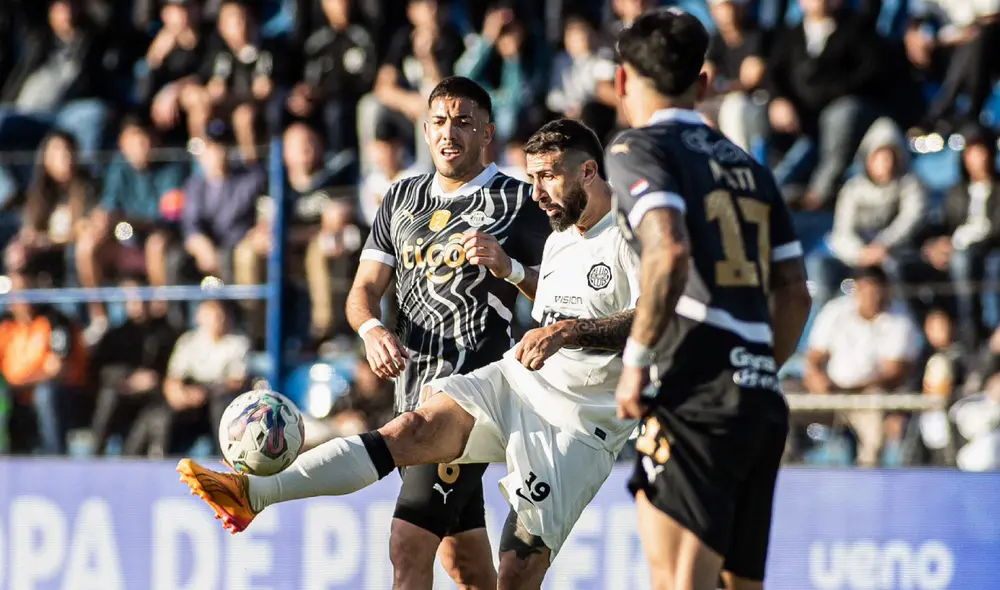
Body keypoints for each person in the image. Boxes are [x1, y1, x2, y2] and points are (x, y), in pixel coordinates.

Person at [177, 117, 640, 589]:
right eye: (532, 177)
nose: (537, 192)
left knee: (516, 573)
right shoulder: (560, 231)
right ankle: (254, 492)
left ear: (587, 171)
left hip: (579, 423)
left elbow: (654, 319)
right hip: (518, 381)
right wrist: (514, 270)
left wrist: (567, 332)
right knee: (411, 430)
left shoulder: (633, 233)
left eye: (548, 177)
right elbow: (558, 300)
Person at [605, 9, 812, 590]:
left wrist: (636, 363)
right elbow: (795, 293)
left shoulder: (636, 150)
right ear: (705, 83)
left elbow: (668, 250)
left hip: (692, 389)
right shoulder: (752, 168)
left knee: (676, 581)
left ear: (623, 81)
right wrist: (758, 367)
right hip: (759, 398)